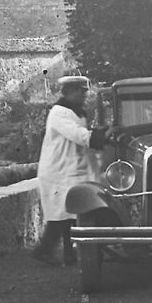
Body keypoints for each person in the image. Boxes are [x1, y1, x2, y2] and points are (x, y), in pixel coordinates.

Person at [31, 75, 107, 266]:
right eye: (81, 92)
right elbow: (78, 135)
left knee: (70, 216)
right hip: (59, 172)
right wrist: (100, 136)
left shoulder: (76, 112)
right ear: (70, 92)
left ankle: (68, 254)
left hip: (71, 170)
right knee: (61, 217)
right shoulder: (59, 113)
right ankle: (47, 251)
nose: (84, 96)